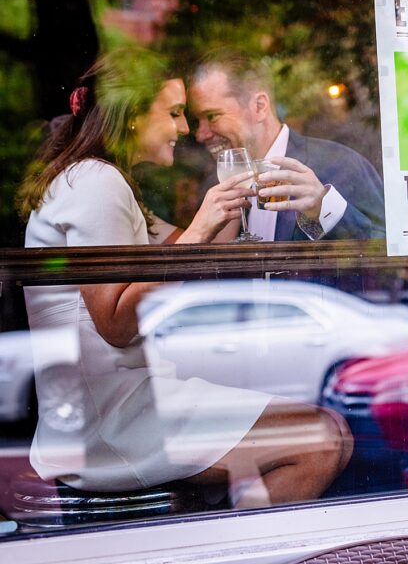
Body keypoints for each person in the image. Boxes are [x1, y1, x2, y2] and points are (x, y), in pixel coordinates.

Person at [17, 47, 352, 507]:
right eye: (173, 113)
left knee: (327, 429)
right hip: (113, 425)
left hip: (129, 403)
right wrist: (198, 228)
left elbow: (200, 250)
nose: (183, 128)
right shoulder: (97, 182)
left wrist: (226, 197)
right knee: (321, 440)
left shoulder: (105, 182)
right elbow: (116, 324)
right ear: (133, 115)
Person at [188, 50, 385, 241]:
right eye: (197, 121)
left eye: (212, 116)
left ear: (259, 107)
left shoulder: (340, 164)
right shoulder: (216, 189)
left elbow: (388, 254)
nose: (200, 134)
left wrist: (323, 209)